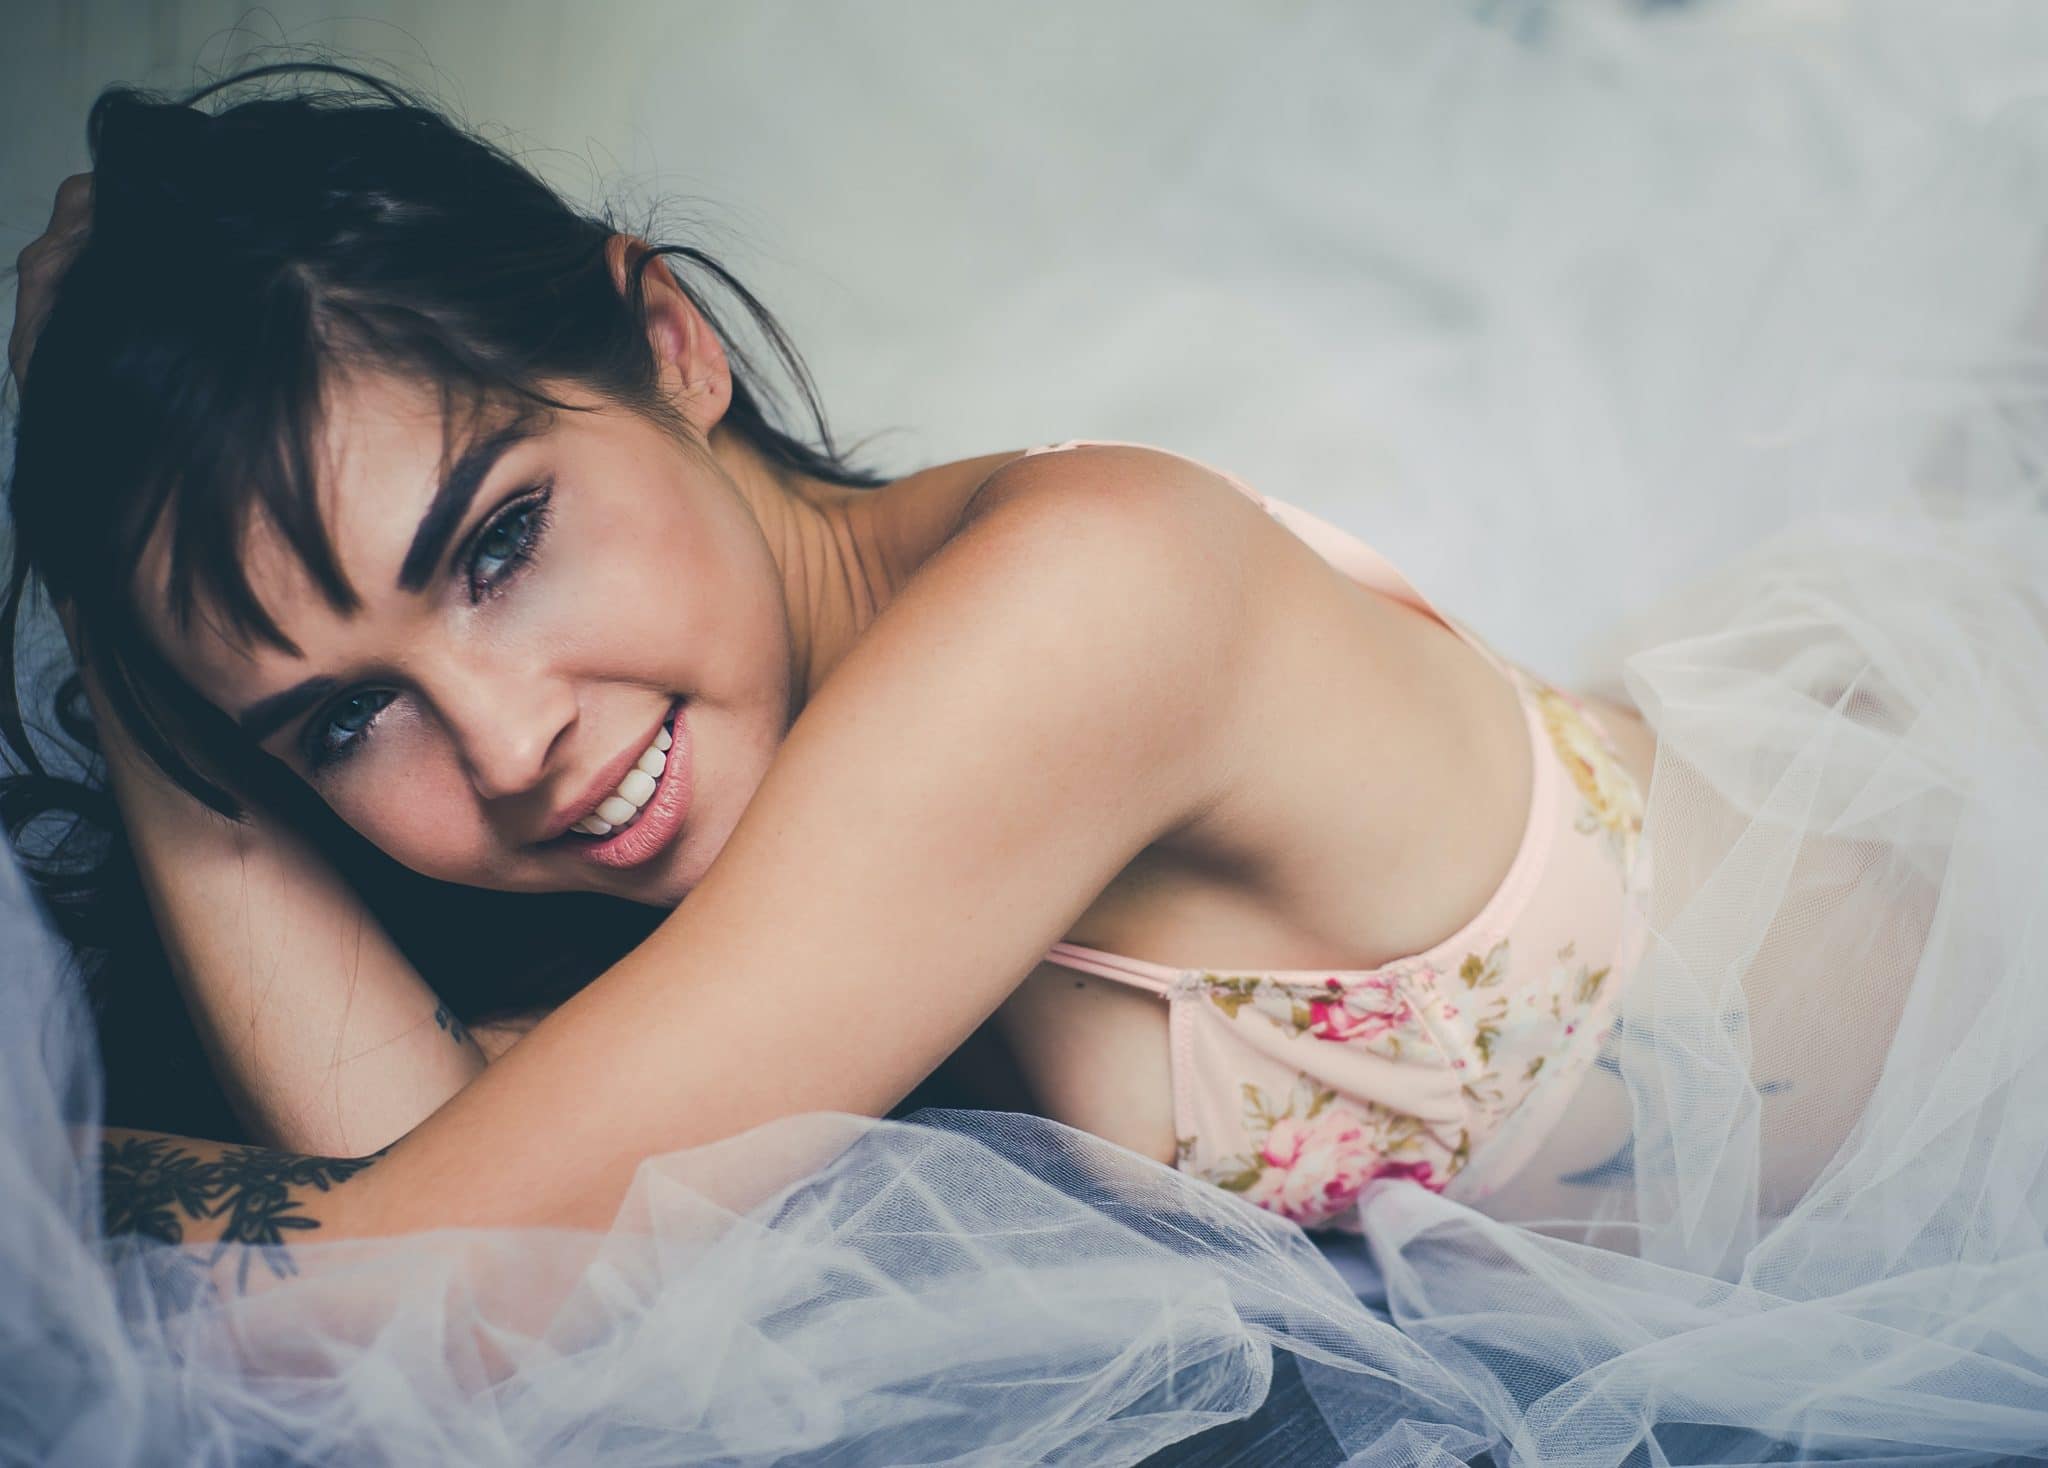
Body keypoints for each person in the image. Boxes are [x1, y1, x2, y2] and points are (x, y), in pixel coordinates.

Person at [6, 37, 2048, 1465]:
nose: (511, 740)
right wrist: (136, 641)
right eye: (343, 718)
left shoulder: (1078, 610)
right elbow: (423, 1189)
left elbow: (424, 1301)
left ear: (667, 342)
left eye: (501, 542)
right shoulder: (749, 810)